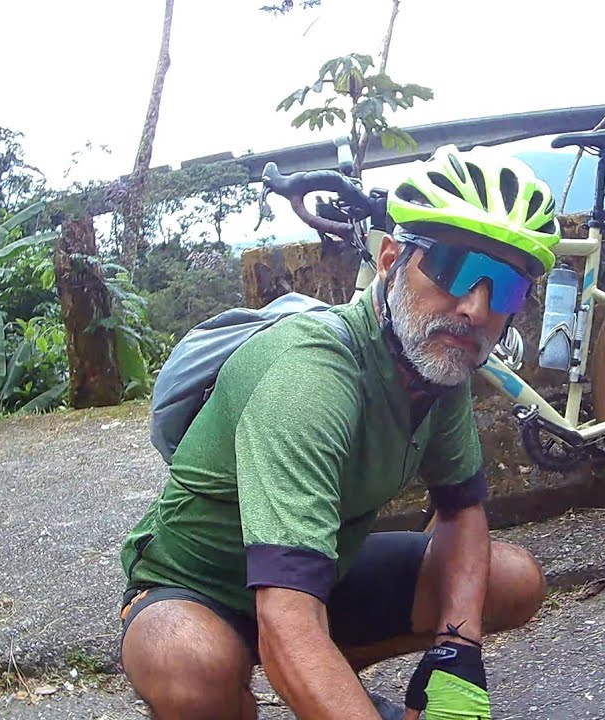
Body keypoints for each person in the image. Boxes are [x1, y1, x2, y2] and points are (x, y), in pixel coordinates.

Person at [117, 144, 562, 720]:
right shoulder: (313, 374)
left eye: (505, 288)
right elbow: (286, 618)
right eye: (453, 267)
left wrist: (457, 652)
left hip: (320, 576)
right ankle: (308, 686)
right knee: (194, 664)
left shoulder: (436, 360)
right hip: (197, 586)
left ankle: (323, 684)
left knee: (512, 579)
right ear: (392, 260)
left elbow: (461, 510)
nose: (476, 307)